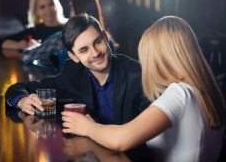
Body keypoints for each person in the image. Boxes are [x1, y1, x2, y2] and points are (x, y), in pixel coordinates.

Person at [61, 16, 225, 161]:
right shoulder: (206, 91)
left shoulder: (180, 93)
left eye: (147, 57)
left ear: (163, 57)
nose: (146, 66)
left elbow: (121, 139)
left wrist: (87, 127)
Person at [5, 14, 150, 125]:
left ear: (106, 37)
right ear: (74, 56)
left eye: (98, 42)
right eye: (84, 50)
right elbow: (18, 88)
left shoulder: (138, 74)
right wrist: (22, 100)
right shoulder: (73, 73)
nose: (95, 53)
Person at [21, 0, 117, 69]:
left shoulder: (60, 39)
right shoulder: (109, 41)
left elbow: (26, 57)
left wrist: (32, 46)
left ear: (74, 12)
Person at [0, 0, 67, 51]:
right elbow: (0, 42)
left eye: (51, 4)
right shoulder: (34, 31)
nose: (48, 10)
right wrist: (19, 45)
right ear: (36, 11)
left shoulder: (70, 26)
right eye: (42, 7)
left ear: (57, 4)